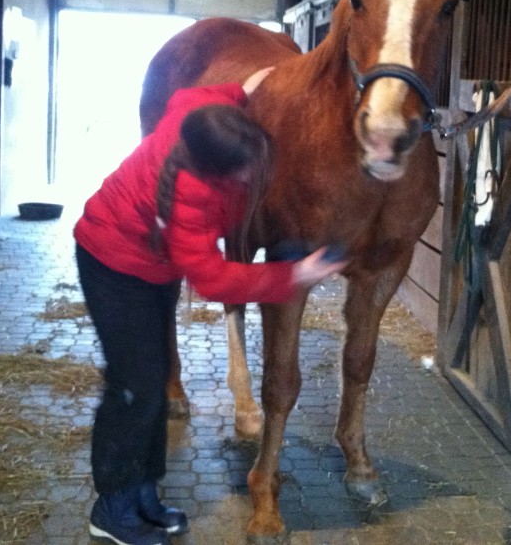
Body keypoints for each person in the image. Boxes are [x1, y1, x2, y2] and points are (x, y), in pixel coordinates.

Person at [74, 67, 346, 545]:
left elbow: (237, 87)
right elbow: (215, 280)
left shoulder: (199, 114)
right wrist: (296, 275)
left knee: (153, 383)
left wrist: (269, 79)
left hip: (152, 267)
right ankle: (111, 508)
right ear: (215, 172)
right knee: (132, 388)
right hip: (112, 263)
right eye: (245, 173)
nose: (255, 178)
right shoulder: (190, 197)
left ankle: (143, 494)